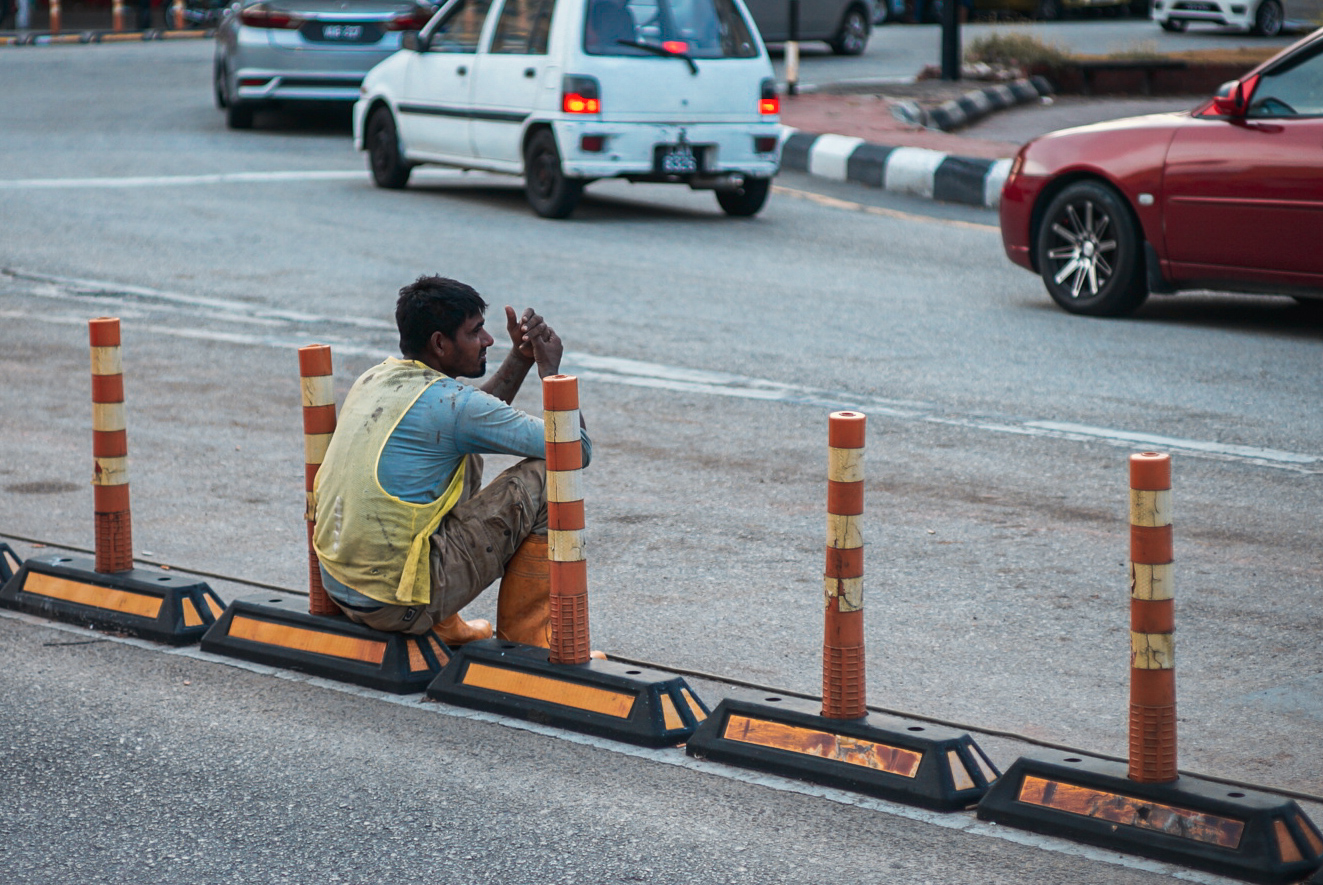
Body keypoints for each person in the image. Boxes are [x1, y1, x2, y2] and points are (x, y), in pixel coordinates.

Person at [312, 275, 590, 649]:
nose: (489, 340)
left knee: (466, 451)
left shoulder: (378, 378)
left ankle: (444, 622)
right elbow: (574, 450)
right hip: (397, 604)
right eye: (476, 332)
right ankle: (529, 641)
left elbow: (470, 416)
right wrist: (550, 372)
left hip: (341, 586)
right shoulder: (453, 409)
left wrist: (521, 357)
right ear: (440, 344)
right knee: (547, 475)